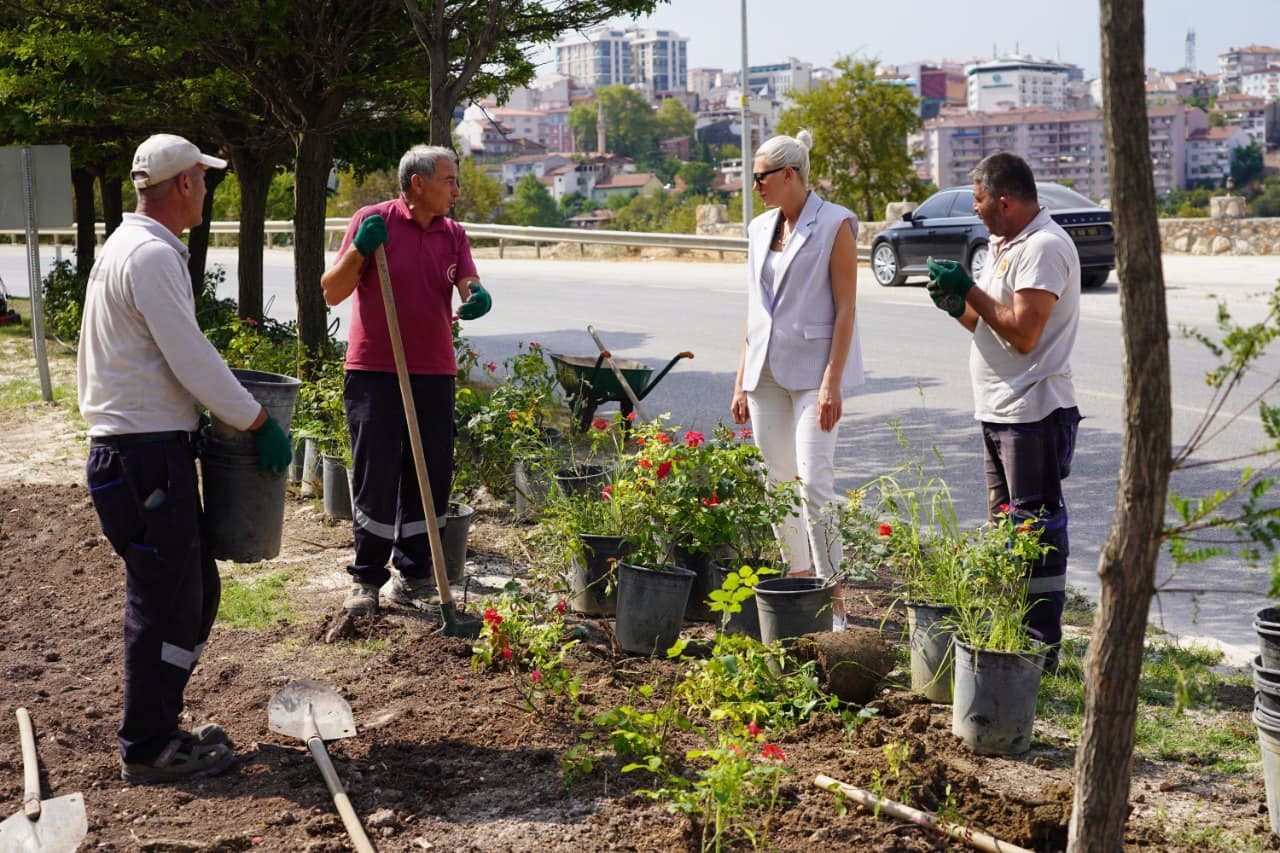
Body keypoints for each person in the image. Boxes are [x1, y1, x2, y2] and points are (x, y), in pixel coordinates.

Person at [78, 133, 293, 784]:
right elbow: (191, 354)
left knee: (192, 595)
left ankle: (160, 725)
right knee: (166, 602)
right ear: (180, 186)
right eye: (203, 180)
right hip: (143, 458)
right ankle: (146, 746)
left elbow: (170, 356)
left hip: (144, 452)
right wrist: (256, 420)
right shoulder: (148, 256)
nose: (207, 190)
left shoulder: (130, 246)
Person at [925, 151, 1082, 667]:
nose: (975, 209)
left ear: (1004, 200)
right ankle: (1011, 630)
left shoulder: (1043, 247)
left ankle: (1041, 645)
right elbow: (989, 324)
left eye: (978, 199)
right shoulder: (1004, 245)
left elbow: (1024, 333)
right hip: (998, 408)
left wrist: (968, 287)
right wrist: (957, 306)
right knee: (1005, 529)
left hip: (1033, 412)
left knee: (1035, 530)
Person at [322, 145, 491, 616]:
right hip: (376, 369)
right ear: (418, 183)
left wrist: (476, 296)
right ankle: (366, 580)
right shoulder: (372, 219)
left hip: (434, 370)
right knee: (376, 472)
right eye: (449, 181)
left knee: (431, 473)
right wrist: (360, 249)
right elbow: (332, 292)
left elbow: (466, 283)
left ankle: (414, 574)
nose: (457, 190)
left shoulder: (452, 234)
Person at [730, 130, 863, 625]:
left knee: (815, 484)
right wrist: (741, 376)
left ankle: (835, 599)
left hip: (814, 375)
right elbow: (753, 308)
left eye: (761, 176)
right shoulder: (758, 227)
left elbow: (847, 307)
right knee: (777, 483)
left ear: (790, 174)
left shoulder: (835, 224)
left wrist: (833, 381)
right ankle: (798, 581)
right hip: (764, 370)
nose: (754, 185)